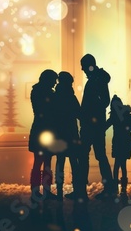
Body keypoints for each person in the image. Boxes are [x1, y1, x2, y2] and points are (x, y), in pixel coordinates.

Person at [71, 54, 115, 200]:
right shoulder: (98, 79)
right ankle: (108, 188)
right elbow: (104, 102)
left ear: (89, 65)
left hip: (91, 125)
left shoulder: (96, 81)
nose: (82, 69)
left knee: (86, 156)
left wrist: (87, 114)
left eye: (83, 65)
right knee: (98, 155)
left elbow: (104, 101)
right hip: (95, 124)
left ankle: (81, 190)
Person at [28, 69, 59, 201]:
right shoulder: (46, 93)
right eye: (53, 80)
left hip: (40, 128)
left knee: (40, 162)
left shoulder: (37, 91)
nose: (55, 83)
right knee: (45, 162)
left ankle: (36, 191)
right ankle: (44, 190)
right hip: (45, 129)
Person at [52, 71, 81, 201]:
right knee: (74, 161)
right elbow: (79, 113)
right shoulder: (71, 96)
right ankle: (76, 189)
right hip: (71, 132)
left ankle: (59, 190)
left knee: (60, 161)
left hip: (59, 133)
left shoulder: (56, 96)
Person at [106, 95, 131, 197]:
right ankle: (123, 188)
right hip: (125, 142)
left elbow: (104, 126)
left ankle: (115, 187)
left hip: (118, 142)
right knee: (123, 165)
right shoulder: (128, 116)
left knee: (117, 164)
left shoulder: (114, 117)